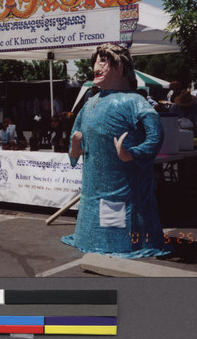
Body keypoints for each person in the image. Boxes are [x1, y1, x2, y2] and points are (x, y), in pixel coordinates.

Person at [62, 43, 171, 258]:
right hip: (93, 185)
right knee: (96, 215)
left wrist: (133, 153)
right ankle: (92, 239)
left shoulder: (135, 102)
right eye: (95, 61)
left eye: (102, 61)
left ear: (119, 67)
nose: (96, 66)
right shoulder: (90, 103)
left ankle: (119, 243)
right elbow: (75, 139)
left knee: (116, 218)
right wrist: (75, 148)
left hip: (123, 188)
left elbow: (155, 135)